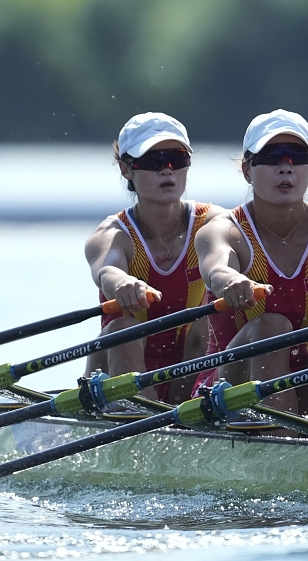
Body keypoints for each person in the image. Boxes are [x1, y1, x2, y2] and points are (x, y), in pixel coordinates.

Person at [195, 109, 308, 410]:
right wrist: (230, 280)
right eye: (272, 156)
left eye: (297, 156)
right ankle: (282, 437)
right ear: (247, 170)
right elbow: (216, 267)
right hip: (224, 388)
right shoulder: (224, 230)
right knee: (271, 325)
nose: (286, 167)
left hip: (307, 377)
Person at [82, 112, 221, 401]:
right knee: (123, 328)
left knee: (207, 323)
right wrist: (120, 282)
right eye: (152, 161)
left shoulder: (215, 223)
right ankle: (134, 411)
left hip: (191, 368)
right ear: (126, 169)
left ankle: (187, 415)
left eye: (177, 159)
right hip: (119, 369)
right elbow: (107, 269)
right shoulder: (111, 234)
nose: (167, 170)